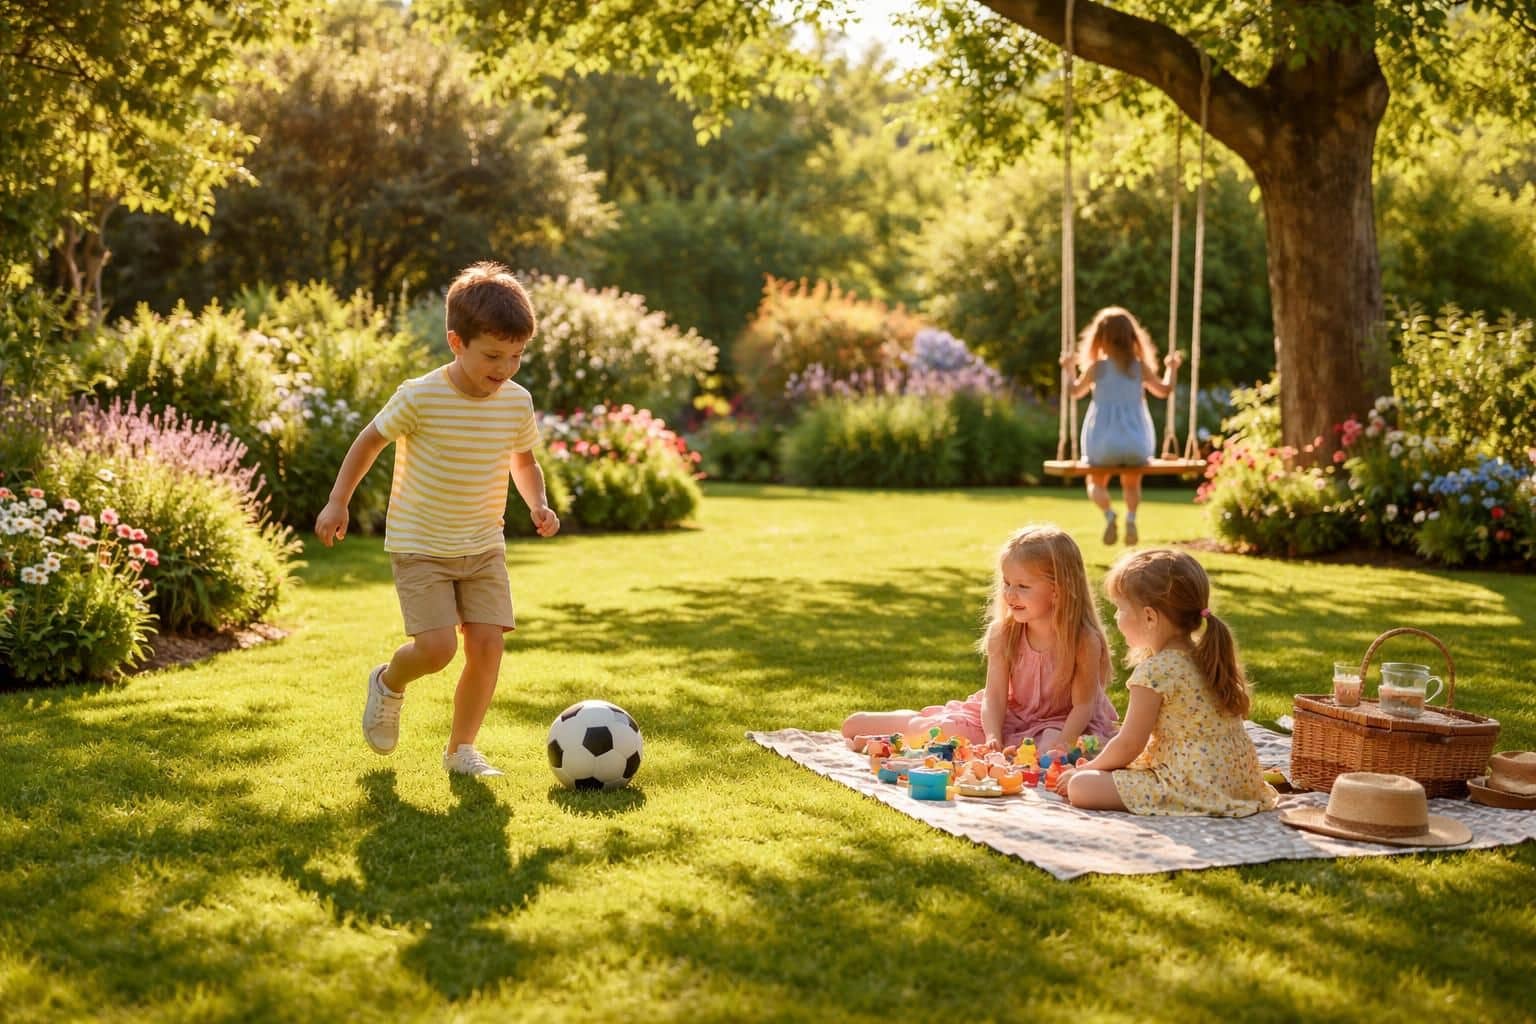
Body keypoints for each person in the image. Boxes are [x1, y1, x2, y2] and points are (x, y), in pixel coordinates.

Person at [314, 261, 560, 778]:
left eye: (516, 355)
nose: (506, 368)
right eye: (493, 355)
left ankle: (461, 750)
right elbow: (370, 440)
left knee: (488, 645)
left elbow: (524, 460)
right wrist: (339, 501)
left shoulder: (516, 402)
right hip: (421, 542)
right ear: (456, 342)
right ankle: (388, 682)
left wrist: (536, 502)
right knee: (437, 648)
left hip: (483, 543)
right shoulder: (420, 395)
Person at [842, 524, 1119, 754]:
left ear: (1058, 591)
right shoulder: (1004, 633)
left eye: (1023, 586)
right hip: (1008, 717)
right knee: (932, 731)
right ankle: (912, 723)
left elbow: (1083, 707)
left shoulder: (1083, 641)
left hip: (1063, 724)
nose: (1010, 594)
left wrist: (1061, 746)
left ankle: (897, 737)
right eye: (1007, 583)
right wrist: (992, 736)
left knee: (1047, 748)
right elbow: (995, 697)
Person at [1055, 548, 1278, 816]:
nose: (1116, 618)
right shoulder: (1205, 655)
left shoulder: (1154, 672)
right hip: (1238, 781)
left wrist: (1086, 769)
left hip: (1190, 783)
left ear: (1149, 616)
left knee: (1081, 786)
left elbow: (1129, 744)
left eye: (1120, 608)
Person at [1059, 306, 1183, 545]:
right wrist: (1172, 368)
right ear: (1131, 337)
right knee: (1132, 481)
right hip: (1136, 444)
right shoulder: (1139, 368)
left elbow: (1073, 391)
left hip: (1103, 444)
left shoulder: (1097, 368)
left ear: (1100, 338)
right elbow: (1165, 390)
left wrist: (1067, 368)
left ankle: (1109, 514)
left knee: (1095, 482)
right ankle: (1132, 518)